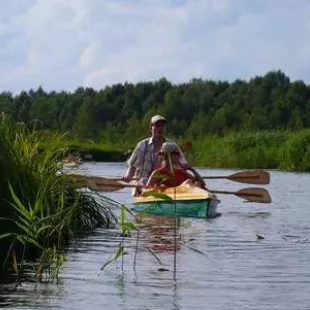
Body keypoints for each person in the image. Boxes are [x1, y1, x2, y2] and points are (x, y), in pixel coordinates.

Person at [123, 115, 187, 184]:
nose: (160, 128)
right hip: (142, 182)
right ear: (151, 128)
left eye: (163, 126)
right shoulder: (142, 145)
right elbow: (132, 166)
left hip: (163, 182)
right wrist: (128, 177)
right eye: (157, 126)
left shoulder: (173, 146)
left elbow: (183, 165)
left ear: (165, 128)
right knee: (143, 181)